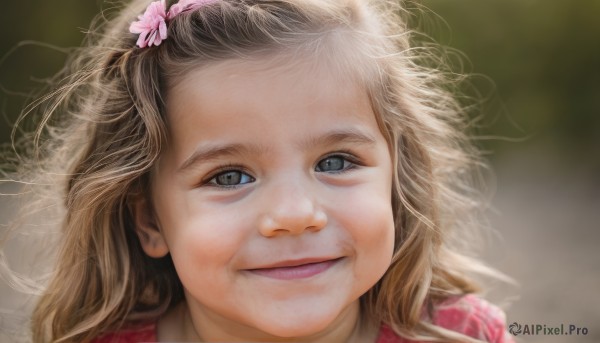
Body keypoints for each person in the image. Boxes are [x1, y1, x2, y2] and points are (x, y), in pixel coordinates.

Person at [2, 0, 515, 342]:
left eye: (336, 162)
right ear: (150, 222)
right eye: (229, 176)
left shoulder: (463, 334)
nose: (294, 216)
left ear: (396, 181)